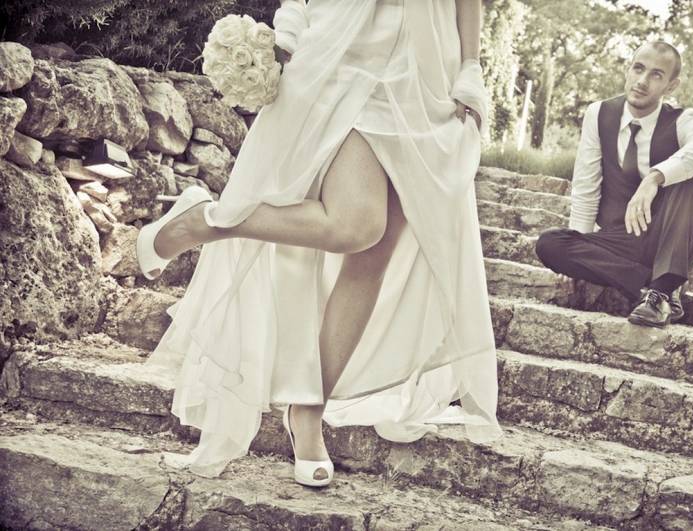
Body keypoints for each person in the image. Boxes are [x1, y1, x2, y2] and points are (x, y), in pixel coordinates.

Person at [136, 0, 502, 487]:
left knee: (372, 257)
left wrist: (471, 68)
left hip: (428, 75)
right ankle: (206, 222)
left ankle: (308, 410)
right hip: (347, 55)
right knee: (357, 226)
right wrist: (288, 32)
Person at [535, 41, 693, 328]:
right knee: (550, 243)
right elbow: (586, 185)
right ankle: (657, 286)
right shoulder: (599, 113)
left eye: (656, 75)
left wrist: (654, 178)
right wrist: (578, 255)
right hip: (618, 239)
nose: (642, 81)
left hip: (666, 237)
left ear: (671, 86)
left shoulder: (682, 119)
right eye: (638, 68)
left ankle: (660, 293)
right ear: (628, 69)